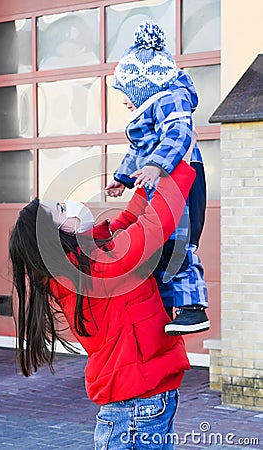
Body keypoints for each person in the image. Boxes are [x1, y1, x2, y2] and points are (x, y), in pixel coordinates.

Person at [9, 161, 196, 450]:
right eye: (61, 209)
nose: (72, 205)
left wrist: (147, 180)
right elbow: (155, 223)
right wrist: (177, 164)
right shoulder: (98, 269)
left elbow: (125, 224)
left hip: (144, 399)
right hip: (135, 408)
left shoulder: (90, 262)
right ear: (56, 237)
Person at [106, 20, 210, 336]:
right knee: (160, 245)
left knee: (178, 242)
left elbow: (180, 134)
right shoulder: (148, 111)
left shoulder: (171, 98)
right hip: (163, 179)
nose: (125, 101)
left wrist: (157, 166)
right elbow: (140, 148)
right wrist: (122, 178)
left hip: (182, 176)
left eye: (127, 94)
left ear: (145, 87)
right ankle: (166, 308)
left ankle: (193, 308)